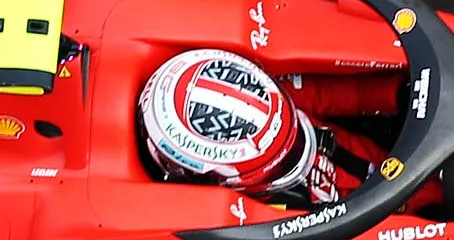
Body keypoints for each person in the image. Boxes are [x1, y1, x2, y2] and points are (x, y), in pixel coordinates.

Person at [136, 48, 342, 206]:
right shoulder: (245, 219)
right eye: (275, 168)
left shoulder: (273, 100)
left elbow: (348, 94)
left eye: (293, 140)